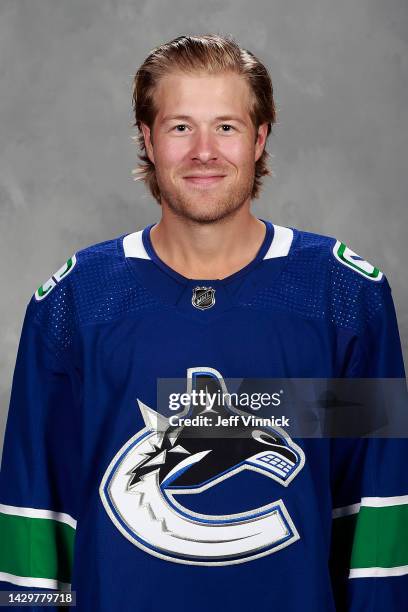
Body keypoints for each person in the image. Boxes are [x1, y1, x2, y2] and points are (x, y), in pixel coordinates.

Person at [0, 34, 407, 612]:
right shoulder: (74, 302)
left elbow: (377, 510)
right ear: (147, 138)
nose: (204, 151)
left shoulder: (344, 296)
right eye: (180, 126)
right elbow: (36, 515)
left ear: (260, 137)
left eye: (226, 126)